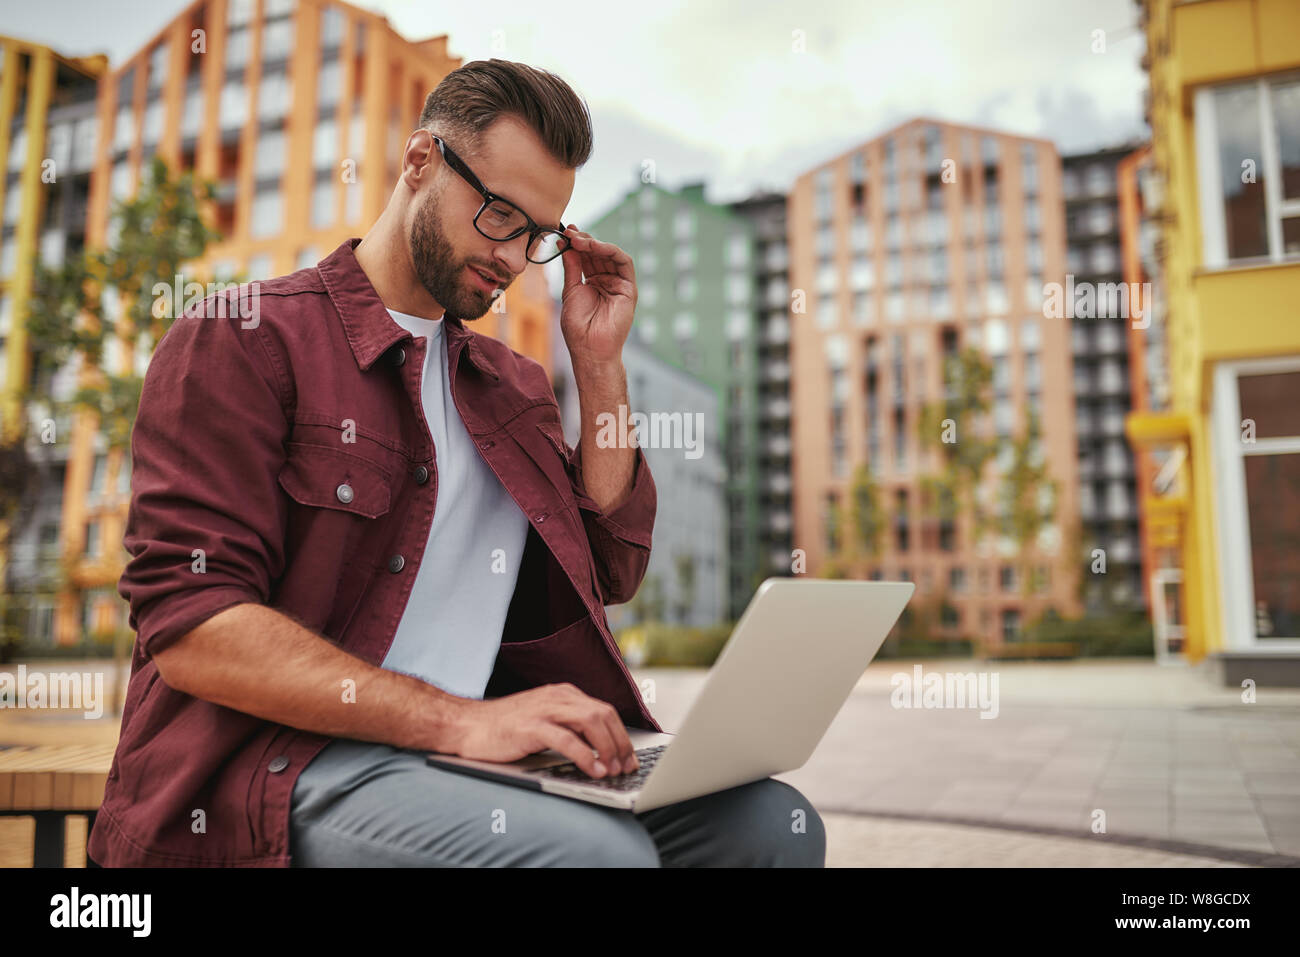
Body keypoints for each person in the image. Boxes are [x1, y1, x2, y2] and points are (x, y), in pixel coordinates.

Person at [88, 59, 824, 868]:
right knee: (595, 857)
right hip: (282, 765)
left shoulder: (508, 385)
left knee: (768, 824)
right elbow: (192, 626)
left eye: (539, 235)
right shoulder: (245, 338)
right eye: (500, 214)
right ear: (419, 162)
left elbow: (608, 565)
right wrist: (461, 721)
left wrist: (600, 362)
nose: (513, 257)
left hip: (464, 760)